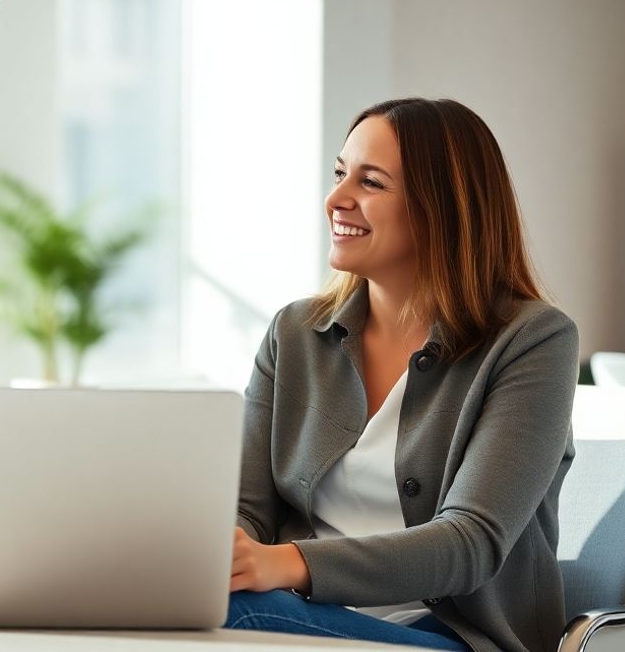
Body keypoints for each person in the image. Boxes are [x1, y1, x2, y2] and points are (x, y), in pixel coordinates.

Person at [227, 98, 578, 652]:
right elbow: (249, 509)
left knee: (232, 613)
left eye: (371, 183)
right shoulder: (294, 333)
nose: (336, 200)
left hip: (450, 636)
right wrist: (221, 555)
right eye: (340, 174)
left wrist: (282, 564)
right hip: (306, 620)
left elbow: (470, 543)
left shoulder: (532, 340)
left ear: (442, 208)